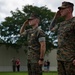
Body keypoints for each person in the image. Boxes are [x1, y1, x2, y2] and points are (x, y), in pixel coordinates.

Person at [49, 1, 75, 75]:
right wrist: (55, 17)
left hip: (71, 59)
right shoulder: (61, 24)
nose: (60, 10)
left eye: (63, 9)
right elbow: (51, 29)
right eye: (60, 9)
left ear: (69, 9)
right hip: (60, 58)